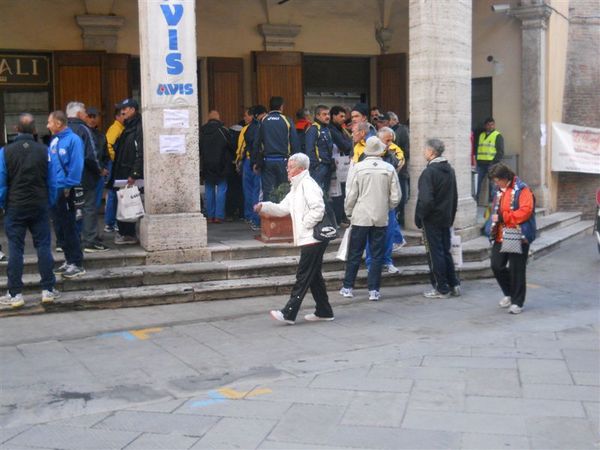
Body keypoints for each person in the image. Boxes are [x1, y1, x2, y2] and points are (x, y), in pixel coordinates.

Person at [255, 153, 334, 324]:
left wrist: (306, 224)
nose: (287, 169)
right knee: (313, 276)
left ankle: (288, 313)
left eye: (290, 167)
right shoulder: (297, 186)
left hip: (313, 238)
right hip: (310, 237)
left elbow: (318, 208)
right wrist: (264, 206)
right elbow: (283, 208)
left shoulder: (307, 184)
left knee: (303, 275)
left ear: (300, 169)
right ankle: (324, 311)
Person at [0, 114, 60, 309]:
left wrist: (4, 204)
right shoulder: (44, 151)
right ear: (35, 130)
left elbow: (2, 183)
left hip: (15, 206)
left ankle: (15, 293)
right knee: (43, 246)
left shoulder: (5, 152)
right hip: (39, 205)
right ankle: (47, 290)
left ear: (16, 129)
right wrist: (49, 201)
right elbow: (52, 181)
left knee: (15, 248)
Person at [341, 136, 401, 301]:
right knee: (376, 254)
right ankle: (374, 290)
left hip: (361, 216)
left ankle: (348, 287)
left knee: (354, 253)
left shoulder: (358, 168)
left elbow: (351, 194)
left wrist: (349, 213)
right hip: (380, 216)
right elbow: (396, 196)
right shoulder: (389, 168)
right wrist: (386, 207)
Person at [487, 163, 535, 314]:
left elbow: (526, 211)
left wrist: (505, 216)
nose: (495, 183)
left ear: (504, 178)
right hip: (500, 234)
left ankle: (517, 302)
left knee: (516, 269)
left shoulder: (523, 189)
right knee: (496, 265)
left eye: (497, 180)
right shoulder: (499, 190)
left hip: (516, 234)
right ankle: (509, 292)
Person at [415, 138, 461, 299]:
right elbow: (455, 196)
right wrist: (451, 215)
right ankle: (453, 283)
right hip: (445, 217)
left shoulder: (429, 172)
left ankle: (441, 287)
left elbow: (426, 200)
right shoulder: (449, 170)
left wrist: (420, 216)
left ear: (431, 152)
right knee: (445, 251)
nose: (423, 152)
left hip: (432, 219)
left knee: (435, 254)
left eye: (425, 149)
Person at [47, 110, 86, 278]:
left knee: (69, 226)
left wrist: (69, 185)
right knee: (60, 227)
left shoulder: (74, 140)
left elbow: (77, 165)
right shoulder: (54, 141)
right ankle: (68, 259)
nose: (47, 125)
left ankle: (76, 262)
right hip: (55, 190)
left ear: (58, 123)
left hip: (66, 190)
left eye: (49, 122)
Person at [253, 96, 300, 202]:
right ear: (282, 107)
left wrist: (255, 162)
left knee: (268, 192)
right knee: (284, 192)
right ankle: (283, 217)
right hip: (284, 162)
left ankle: (268, 218)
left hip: (267, 162)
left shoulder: (263, 120)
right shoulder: (287, 121)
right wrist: (296, 162)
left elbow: (256, 143)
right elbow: (295, 142)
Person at [111, 98, 143, 245]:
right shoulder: (128, 127)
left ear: (132, 110)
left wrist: (134, 173)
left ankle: (128, 234)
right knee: (124, 203)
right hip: (123, 172)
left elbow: (140, 152)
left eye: (124, 108)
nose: (122, 112)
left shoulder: (138, 127)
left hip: (129, 174)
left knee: (129, 203)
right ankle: (125, 233)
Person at [199, 110, 233, 223]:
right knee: (221, 189)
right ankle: (219, 216)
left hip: (207, 164)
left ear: (209, 118)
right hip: (221, 164)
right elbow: (231, 146)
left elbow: (199, 147)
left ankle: (209, 215)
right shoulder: (223, 130)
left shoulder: (202, 131)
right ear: (218, 118)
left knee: (209, 189)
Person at [240, 105, 267, 231]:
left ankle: (250, 216)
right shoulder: (261, 127)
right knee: (258, 190)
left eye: (246, 115)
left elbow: (242, 146)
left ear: (253, 115)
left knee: (249, 190)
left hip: (249, 161)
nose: (244, 118)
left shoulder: (247, 129)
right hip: (258, 161)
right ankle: (256, 219)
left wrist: (239, 160)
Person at [104, 108, 125, 233]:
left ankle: (112, 222)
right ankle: (111, 222)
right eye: (122, 114)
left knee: (114, 192)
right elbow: (108, 145)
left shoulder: (120, 128)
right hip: (114, 164)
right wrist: (114, 159)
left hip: (114, 164)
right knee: (113, 193)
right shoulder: (115, 128)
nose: (125, 116)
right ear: (117, 116)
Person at [305, 105, 334, 194]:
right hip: (319, 167)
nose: (328, 117)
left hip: (327, 166)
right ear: (317, 116)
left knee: (325, 193)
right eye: (324, 114)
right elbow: (309, 149)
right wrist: (316, 166)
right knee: (317, 193)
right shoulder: (313, 129)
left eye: (328, 114)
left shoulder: (326, 129)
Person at [475, 117, 504, 203]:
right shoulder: (481, 135)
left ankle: (493, 202)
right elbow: (478, 148)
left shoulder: (497, 135)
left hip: (492, 164)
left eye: (492, 124)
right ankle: (476, 199)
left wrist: (494, 162)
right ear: (485, 126)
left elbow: (500, 151)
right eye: (488, 125)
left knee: (493, 184)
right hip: (480, 164)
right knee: (477, 183)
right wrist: (476, 159)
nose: (490, 126)